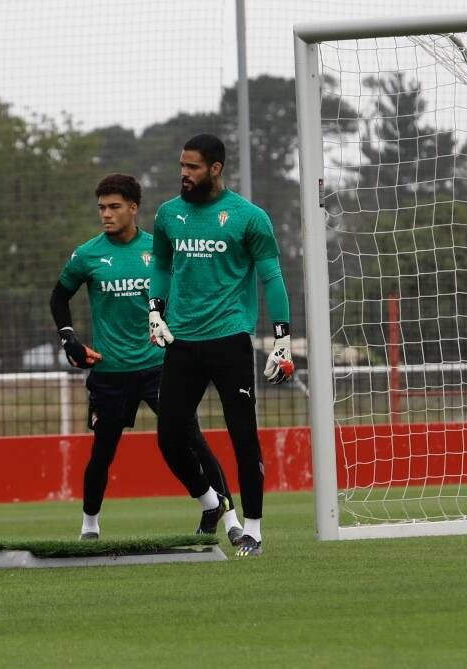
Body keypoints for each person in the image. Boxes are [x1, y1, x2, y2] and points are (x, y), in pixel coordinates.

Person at [50, 173, 243, 544]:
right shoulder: (87, 255)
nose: (106, 214)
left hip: (160, 367)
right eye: (101, 207)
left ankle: (231, 521)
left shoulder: (160, 250)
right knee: (102, 453)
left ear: (134, 208)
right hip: (109, 372)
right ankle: (89, 528)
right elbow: (58, 298)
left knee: (192, 440)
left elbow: (185, 295)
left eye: (114, 207)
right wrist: (69, 339)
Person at [148, 134, 294, 558]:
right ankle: (212, 502)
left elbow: (271, 277)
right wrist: (154, 311)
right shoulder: (168, 215)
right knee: (169, 437)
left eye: (192, 167)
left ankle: (253, 528)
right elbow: (160, 265)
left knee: (242, 436)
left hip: (229, 340)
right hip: (181, 341)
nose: (184, 174)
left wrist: (282, 337)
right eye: (181, 166)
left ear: (215, 168)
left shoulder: (249, 217)